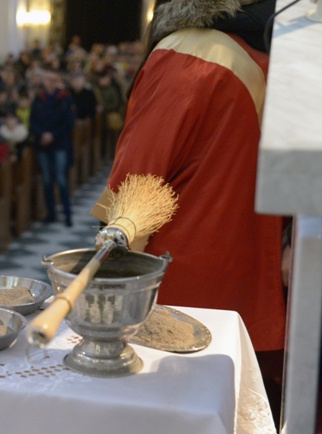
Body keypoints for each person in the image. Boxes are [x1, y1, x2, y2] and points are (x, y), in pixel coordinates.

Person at [90, 0, 285, 423]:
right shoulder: (270, 51)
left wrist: (105, 288)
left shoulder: (189, 55)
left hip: (183, 291)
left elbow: (135, 185)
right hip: (255, 276)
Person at [30, 68, 75, 227]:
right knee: (47, 179)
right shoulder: (39, 98)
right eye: (47, 79)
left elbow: (68, 122)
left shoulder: (64, 98)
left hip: (59, 143)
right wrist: (41, 134)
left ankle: (67, 213)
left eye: (53, 80)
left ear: (57, 82)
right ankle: (51, 213)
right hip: (43, 144)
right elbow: (33, 120)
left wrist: (52, 135)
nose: (49, 83)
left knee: (61, 179)